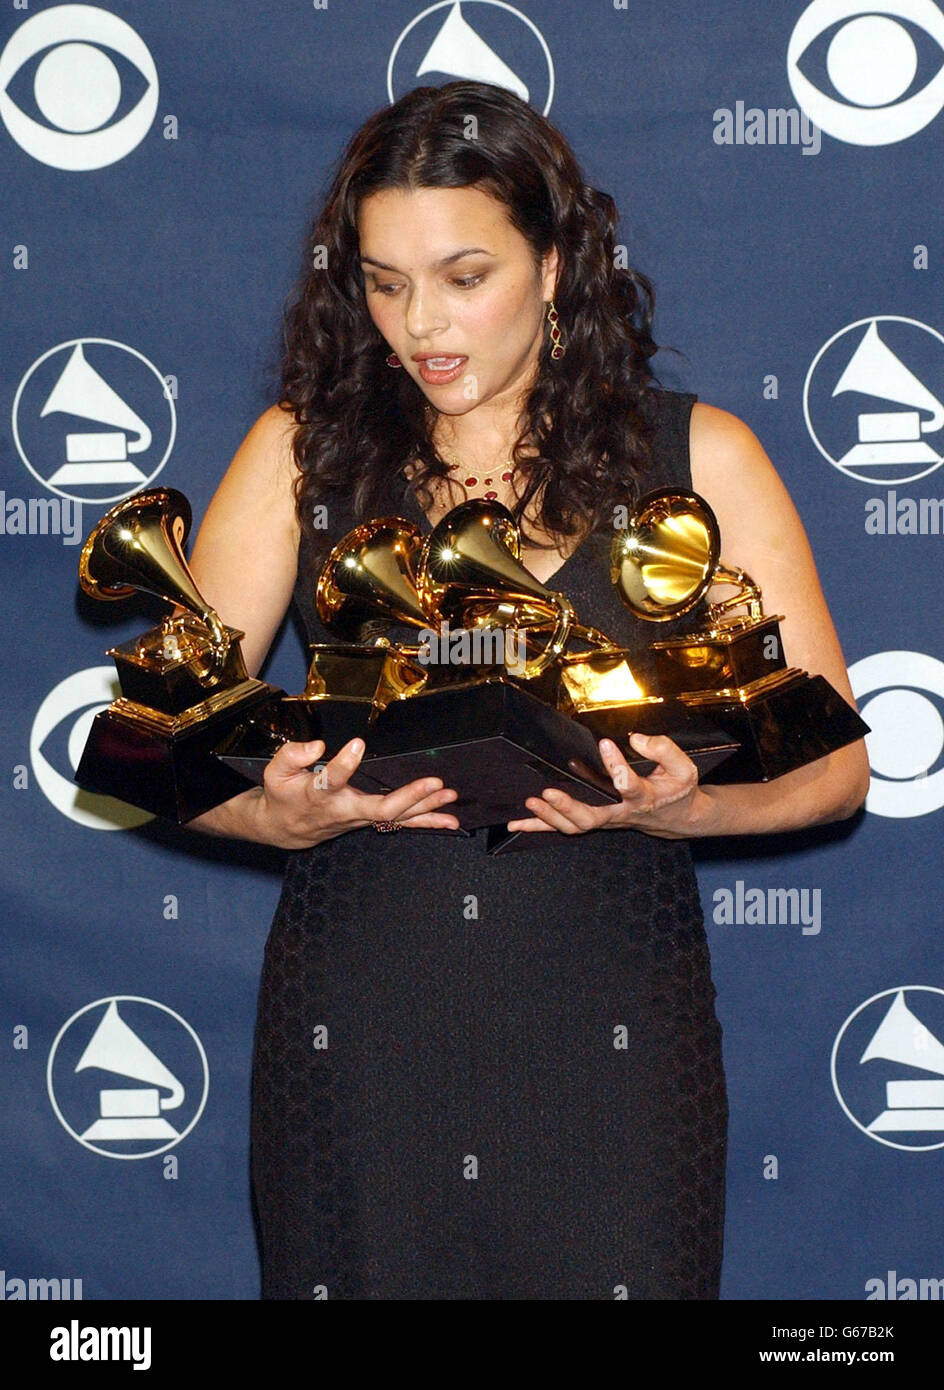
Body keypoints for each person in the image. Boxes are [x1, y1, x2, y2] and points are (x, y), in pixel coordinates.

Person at [184, 81, 869, 1300]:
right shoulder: (303, 454)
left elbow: (832, 766)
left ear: (554, 265)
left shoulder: (699, 457)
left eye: (462, 275)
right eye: (383, 282)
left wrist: (684, 809)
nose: (418, 324)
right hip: (362, 1042)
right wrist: (271, 812)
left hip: (609, 1037)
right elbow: (157, 752)